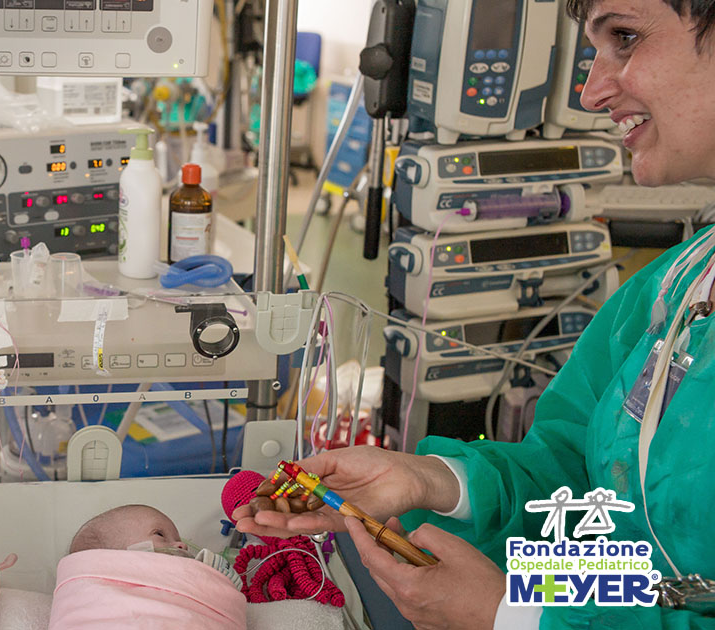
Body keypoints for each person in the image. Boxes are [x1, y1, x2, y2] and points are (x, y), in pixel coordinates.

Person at [235, 0, 715, 628]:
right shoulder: (677, 286)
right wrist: (433, 482)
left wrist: (512, 616)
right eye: (593, 49)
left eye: (625, 37)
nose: (592, 91)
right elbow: (580, 479)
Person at [50, 505, 246, 629]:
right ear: (114, 557)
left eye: (177, 539)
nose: (182, 545)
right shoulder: (89, 593)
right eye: (160, 534)